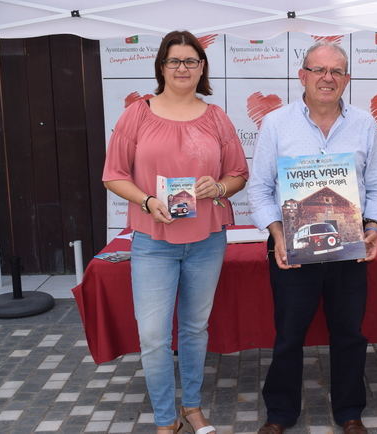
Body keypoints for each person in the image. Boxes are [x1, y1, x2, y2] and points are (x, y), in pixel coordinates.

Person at [103, 30, 248, 434]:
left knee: (194, 328)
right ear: (161, 67)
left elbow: (238, 173)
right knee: (152, 336)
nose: (183, 68)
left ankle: (193, 406)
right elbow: (113, 176)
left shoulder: (217, 117)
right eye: (174, 61)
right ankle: (167, 418)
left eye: (191, 61)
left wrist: (218, 188)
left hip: (206, 240)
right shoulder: (137, 113)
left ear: (202, 67)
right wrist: (148, 202)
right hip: (153, 241)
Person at [247, 42, 377, 434]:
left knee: (350, 333)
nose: (328, 78)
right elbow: (259, 189)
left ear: (347, 79)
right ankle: (279, 414)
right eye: (319, 70)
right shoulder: (276, 124)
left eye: (337, 71)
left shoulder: (365, 125)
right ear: (303, 75)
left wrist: (374, 228)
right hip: (291, 248)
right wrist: (277, 234)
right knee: (289, 334)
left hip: (349, 249)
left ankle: (349, 412)